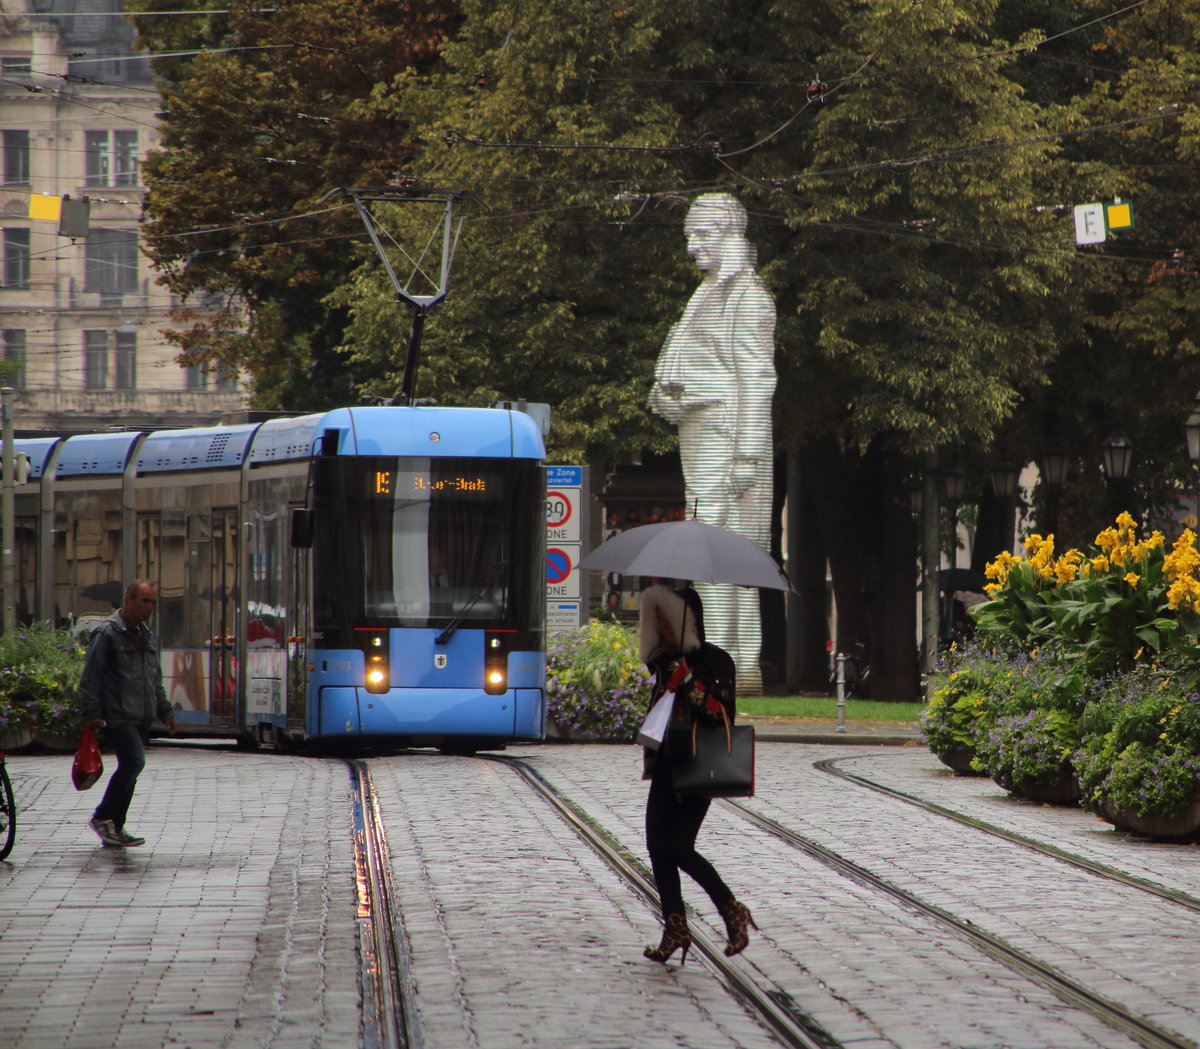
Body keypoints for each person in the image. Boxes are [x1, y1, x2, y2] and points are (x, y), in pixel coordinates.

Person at [649, 192, 776, 694]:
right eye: (688, 237)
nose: (691, 247)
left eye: (701, 235)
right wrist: (668, 398)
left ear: (730, 234)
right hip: (704, 435)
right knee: (721, 554)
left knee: (715, 554)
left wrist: (746, 453)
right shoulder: (706, 295)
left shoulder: (747, 297)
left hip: (726, 440)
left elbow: (757, 379)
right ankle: (734, 662)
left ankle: (721, 660)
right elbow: (691, 370)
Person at [637, 583, 756, 964]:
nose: (664, 630)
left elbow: (721, 714)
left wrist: (689, 682)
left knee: (679, 847)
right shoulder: (662, 660)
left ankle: (730, 908)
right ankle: (675, 927)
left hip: (697, 765)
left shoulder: (717, 661)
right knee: (657, 846)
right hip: (664, 764)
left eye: (669, 622)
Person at [76, 579, 177, 848]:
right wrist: (91, 712)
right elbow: (91, 677)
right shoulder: (108, 632)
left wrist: (165, 711)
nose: (149, 607)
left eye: (153, 602)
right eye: (144, 601)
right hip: (116, 713)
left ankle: (115, 827)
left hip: (139, 714)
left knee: (131, 768)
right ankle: (103, 817)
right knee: (134, 762)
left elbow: (154, 678)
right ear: (129, 599)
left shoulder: (146, 634)